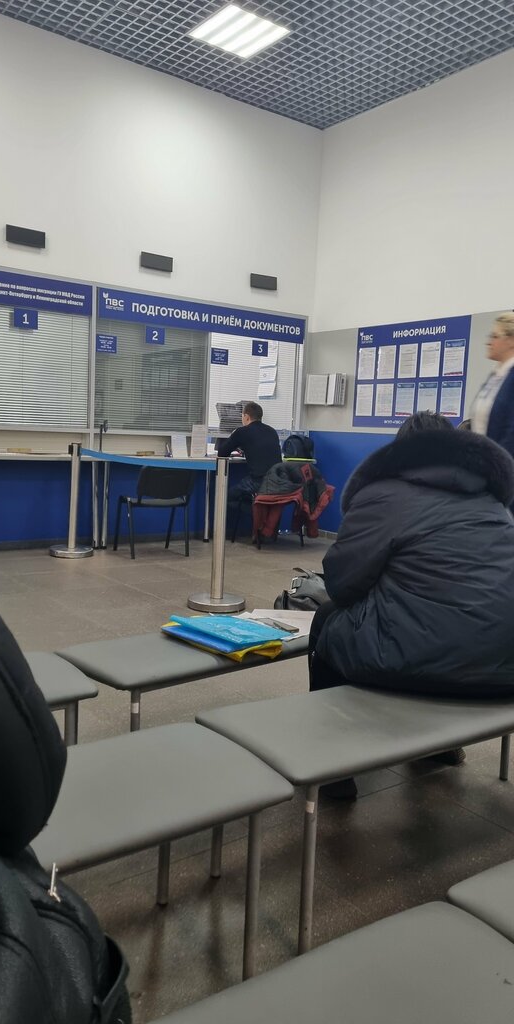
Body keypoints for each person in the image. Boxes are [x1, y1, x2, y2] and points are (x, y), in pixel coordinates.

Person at [309, 411, 514, 798]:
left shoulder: (383, 494)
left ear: (400, 452)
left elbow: (342, 583)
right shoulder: (491, 500)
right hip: (505, 669)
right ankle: (442, 748)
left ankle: (333, 773)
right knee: (449, 623)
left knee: (327, 619)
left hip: (427, 664)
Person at [216, 401, 282, 506]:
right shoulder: (272, 431)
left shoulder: (241, 432)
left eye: (242, 416)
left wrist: (233, 435)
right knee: (247, 497)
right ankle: (254, 512)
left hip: (258, 482)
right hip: (279, 481)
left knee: (226, 497)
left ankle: (243, 514)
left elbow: (222, 452)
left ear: (246, 417)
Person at [470, 312, 514, 462]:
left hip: (503, 465)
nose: (489, 342)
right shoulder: (495, 376)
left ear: (511, 341)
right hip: (483, 462)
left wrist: (496, 464)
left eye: (495, 336)